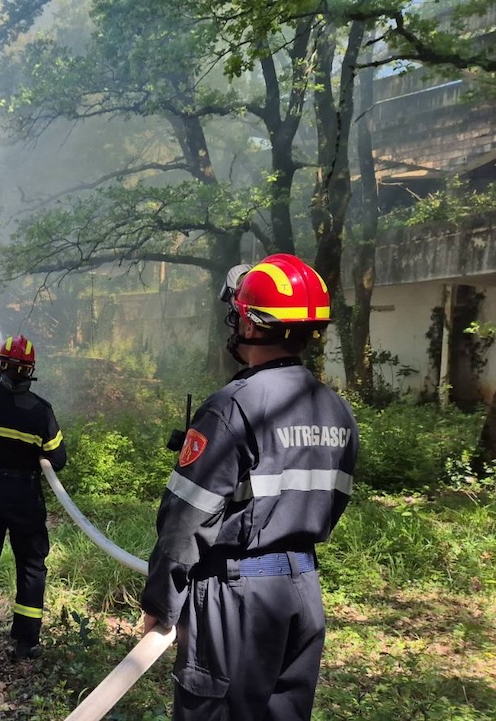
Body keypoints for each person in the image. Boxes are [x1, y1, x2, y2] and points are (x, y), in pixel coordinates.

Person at [140, 254, 359, 720]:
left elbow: (186, 519)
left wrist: (161, 601)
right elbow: (332, 502)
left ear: (252, 324)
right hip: (302, 591)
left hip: (236, 597)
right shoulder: (336, 409)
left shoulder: (233, 407)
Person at [0, 335, 67, 664]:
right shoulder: (40, 411)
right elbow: (58, 458)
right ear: (31, 370)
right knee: (31, 566)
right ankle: (25, 643)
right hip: (24, 495)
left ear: (0, 364)